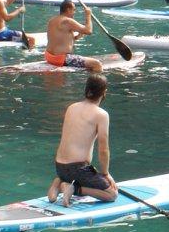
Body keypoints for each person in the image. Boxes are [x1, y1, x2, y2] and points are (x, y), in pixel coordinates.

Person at [47, 75, 119, 206]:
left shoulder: (72, 107)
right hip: (78, 169)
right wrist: (105, 173)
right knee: (112, 195)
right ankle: (73, 188)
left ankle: (58, 183)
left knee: (72, 178)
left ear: (86, 89)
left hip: (60, 166)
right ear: (104, 93)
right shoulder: (101, 114)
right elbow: (103, 149)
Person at [44, 0, 103, 71]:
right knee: (97, 64)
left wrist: (77, 37)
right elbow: (88, 31)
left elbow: (59, 40)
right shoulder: (67, 21)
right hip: (61, 59)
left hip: (49, 56)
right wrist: (88, 15)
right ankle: (95, 81)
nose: (74, 12)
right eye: (74, 10)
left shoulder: (52, 20)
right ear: (68, 10)